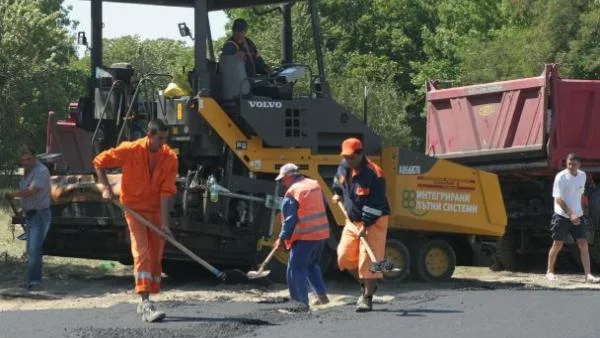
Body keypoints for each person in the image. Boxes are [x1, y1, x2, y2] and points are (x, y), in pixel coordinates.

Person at [93, 119, 178, 323]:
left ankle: (149, 294)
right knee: (142, 252)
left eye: (166, 139)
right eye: (160, 139)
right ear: (149, 134)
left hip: (156, 212)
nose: (163, 143)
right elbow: (99, 162)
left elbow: (167, 192)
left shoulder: (170, 157)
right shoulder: (130, 150)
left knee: (156, 256)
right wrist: (105, 188)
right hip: (134, 209)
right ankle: (145, 302)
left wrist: (165, 224)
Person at [332, 138, 390, 312]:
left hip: (374, 221)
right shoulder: (343, 167)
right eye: (345, 157)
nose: (347, 161)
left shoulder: (375, 174)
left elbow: (377, 204)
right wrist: (337, 193)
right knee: (343, 256)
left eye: (351, 157)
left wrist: (365, 224)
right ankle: (365, 285)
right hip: (352, 221)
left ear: (360, 153)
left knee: (367, 261)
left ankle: (367, 297)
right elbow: (337, 181)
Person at [273, 163, 330, 312]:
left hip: (306, 236)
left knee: (295, 268)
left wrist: (281, 238)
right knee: (311, 265)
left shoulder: (293, 193)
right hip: (321, 234)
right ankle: (322, 297)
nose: (282, 183)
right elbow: (324, 204)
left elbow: (290, 220)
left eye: (282, 180)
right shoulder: (314, 184)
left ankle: (299, 304)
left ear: (290, 177)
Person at [546, 153, 600, 283]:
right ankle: (549, 271)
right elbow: (558, 199)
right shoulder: (561, 177)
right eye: (569, 163)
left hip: (578, 215)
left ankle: (588, 275)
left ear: (579, 165)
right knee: (557, 244)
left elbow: (580, 195)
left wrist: (583, 212)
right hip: (562, 215)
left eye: (574, 164)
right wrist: (570, 214)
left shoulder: (582, 176)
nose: (571, 166)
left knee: (583, 244)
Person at [4, 145, 52, 291]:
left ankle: (35, 282)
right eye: (23, 160)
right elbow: (27, 194)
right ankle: (31, 280)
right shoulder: (27, 171)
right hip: (30, 214)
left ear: (35, 157)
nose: (26, 162)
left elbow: (32, 191)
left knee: (34, 248)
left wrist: (13, 195)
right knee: (31, 249)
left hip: (40, 214)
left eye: (29, 159)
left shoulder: (41, 171)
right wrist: (21, 208)